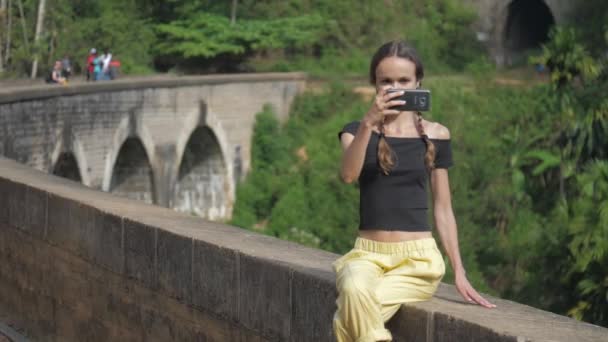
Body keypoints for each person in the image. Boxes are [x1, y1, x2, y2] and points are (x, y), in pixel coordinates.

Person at [333, 40, 495, 342]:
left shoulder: (436, 134)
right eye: (386, 81)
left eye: (403, 81)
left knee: (350, 312)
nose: (395, 88)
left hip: (417, 260)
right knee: (354, 290)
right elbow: (347, 175)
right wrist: (370, 122)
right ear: (374, 84)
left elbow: (443, 208)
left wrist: (458, 269)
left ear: (418, 82)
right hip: (367, 255)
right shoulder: (355, 131)